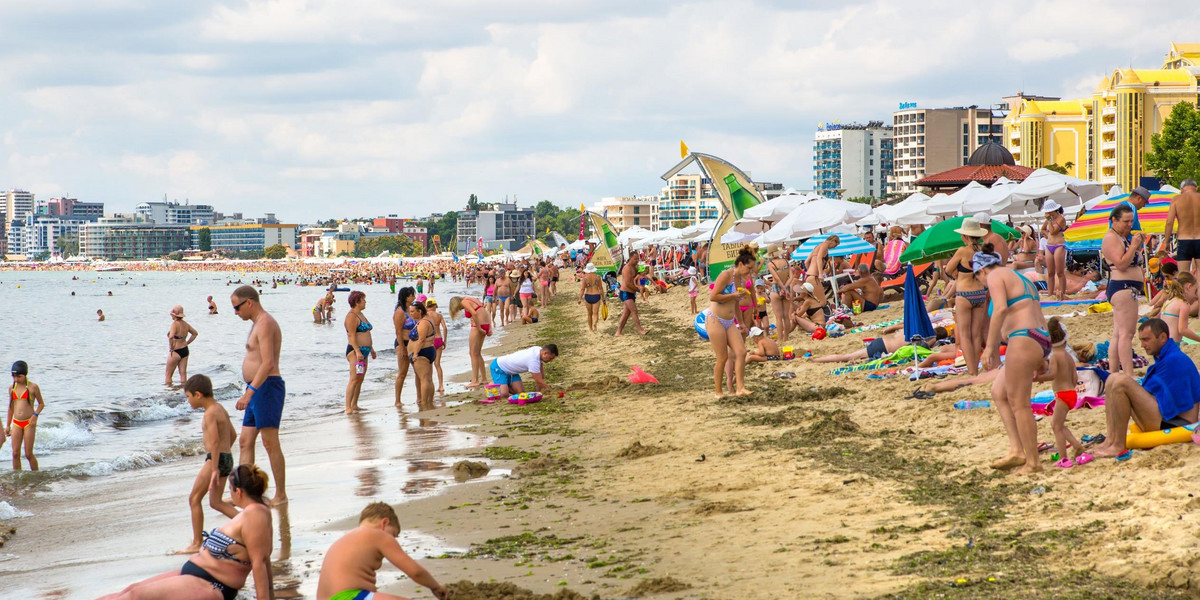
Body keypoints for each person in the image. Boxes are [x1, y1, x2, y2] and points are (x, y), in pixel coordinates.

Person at [99, 465, 275, 600]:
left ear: (238, 491)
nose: (230, 495)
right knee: (129, 590)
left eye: (229, 490)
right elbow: (264, 559)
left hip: (212, 584)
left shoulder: (255, 515)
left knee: (135, 596)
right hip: (195, 574)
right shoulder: (250, 513)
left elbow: (260, 562)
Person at [976, 245, 1049, 475]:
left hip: (1022, 337)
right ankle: (1017, 450)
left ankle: (1033, 462)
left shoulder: (995, 276)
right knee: (999, 392)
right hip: (1038, 337)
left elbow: (998, 310)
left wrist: (990, 347)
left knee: (1020, 404)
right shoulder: (1018, 276)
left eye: (978, 278)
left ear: (982, 271)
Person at [1093, 318, 1200, 458]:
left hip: (1177, 423)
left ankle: (1118, 445)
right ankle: (1110, 441)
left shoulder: (1175, 359)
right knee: (1112, 379)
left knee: (1122, 381)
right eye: (1141, 340)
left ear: (1162, 337)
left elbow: (1152, 392)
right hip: (1167, 418)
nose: (1142, 345)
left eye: (1146, 340)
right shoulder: (1166, 358)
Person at [316, 502, 448, 600]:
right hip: (349, 596)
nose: (393, 539)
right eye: (394, 534)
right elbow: (415, 572)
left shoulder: (345, 540)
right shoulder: (378, 535)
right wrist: (436, 586)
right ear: (384, 523)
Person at [231, 285, 288, 506]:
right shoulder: (257, 324)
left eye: (237, 307)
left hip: (267, 387)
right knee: (245, 442)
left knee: (270, 442)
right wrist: (249, 390)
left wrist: (250, 392)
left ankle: (280, 495)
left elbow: (268, 363)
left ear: (249, 303)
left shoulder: (266, 323)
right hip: (255, 388)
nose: (236, 312)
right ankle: (245, 495)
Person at [181, 374, 238, 554]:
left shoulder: (210, 413)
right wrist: (225, 455)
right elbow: (233, 434)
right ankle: (248, 522)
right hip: (225, 457)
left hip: (215, 459)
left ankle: (197, 542)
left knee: (194, 498)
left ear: (198, 394)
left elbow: (213, 442)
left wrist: (214, 469)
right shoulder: (219, 408)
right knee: (215, 502)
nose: (188, 401)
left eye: (188, 397)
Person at [1035, 318, 1092, 469]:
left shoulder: (1054, 356)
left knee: (1055, 426)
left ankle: (1063, 458)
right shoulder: (1067, 356)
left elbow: (1052, 374)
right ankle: (1077, 446)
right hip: (1071, 393)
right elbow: (1074, 377)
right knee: (1059, 424)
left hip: (1062, 394)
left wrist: (1038, 378)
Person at [706, 246, 755, 398]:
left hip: (730, 321)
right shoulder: (726, 275)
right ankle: (718, 392)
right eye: (749, 268)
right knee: (722, 357)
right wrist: (733, 294)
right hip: (715, 320)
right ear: (740, 264)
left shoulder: (740, 279)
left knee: (741, 351)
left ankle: (740, 388)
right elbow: (714, 296)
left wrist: (741, 323)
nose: (750, 272)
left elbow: (736, 304)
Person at [1102, 203, 1145, 375]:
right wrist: (1134, 246)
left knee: (1119, 334)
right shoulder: (1111, 238)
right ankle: (1128, 374)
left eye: (1131, 221)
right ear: (1114, 220)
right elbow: (1121, 264)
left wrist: (1137, 244)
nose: (1129, 225)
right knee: (1127, 334)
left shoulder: (1121, 237)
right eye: (1126, 221)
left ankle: (1114, 373)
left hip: (1126, 288)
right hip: (1122, 287)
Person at [948, 218, 988, 376]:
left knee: (964, 335)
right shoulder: (984, 250)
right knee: (976, 334)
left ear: (965, 236)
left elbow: (948, 269)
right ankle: (976, 367)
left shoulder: (962, 251)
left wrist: (957, 272)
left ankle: (972, 371)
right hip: (980, 293)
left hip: (964, 294)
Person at [810, 329, 945, 364]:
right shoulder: (929, 339)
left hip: (882, 342)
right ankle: (816, 360)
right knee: (847, 357)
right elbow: (925, 348)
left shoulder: (915, 330)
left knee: (849, 356)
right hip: (882, 348)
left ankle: (817, 359)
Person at [344, 291, 376, 415]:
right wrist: (357, 351)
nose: (365, 302)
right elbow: (351, 335)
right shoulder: (351, 316)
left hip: (365, 351)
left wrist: (371, 349)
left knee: (360, 378)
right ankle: (348, 407)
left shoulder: (361, 314)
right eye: (363, 300)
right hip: (355, 351)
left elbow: (366, 333)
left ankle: (355, 404)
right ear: (357, 302)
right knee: (354, 379)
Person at [449, 296, 492, 388]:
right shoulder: (473, 299)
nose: (460, 309)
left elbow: (474, 313)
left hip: (477, 326)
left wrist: (479, 328)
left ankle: (475, 380)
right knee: (477, 353)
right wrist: (489, 328)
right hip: (485, 324)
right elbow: (487, 312)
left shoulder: (464, 302)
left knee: (472, 353)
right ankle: (484, 379)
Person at [7, 361, 43, 471]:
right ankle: (18, 478)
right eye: (14, 376)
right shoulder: (12, 388)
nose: (16, 379)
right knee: (15, 453)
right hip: (17, 422)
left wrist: (35, 415)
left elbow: (41, 404)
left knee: (28, 454)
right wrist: (8, 425)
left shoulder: (33, 387)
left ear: (25, 375)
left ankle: (36, 475)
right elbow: (11, 407)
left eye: (19, 376)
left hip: (29, 422)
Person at [490, 344, 559, 396]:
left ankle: (504, 383)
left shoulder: (539, 350)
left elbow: (541, 375)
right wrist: (551, 391)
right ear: (545, 353)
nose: (551, 361)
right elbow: (538, 380)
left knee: (520, 392)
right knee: (504, 394)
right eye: (550, 358)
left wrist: (538, 392)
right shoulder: (533, 360)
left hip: (512, 372)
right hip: (499, 367)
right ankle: (492, 384)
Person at [1166, 179, 1200, 275]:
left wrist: (1166, 241)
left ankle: (1185, 290)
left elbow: (1169, 222)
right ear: (1196, 188)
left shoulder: (1176, 199)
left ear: (1181, 189)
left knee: (1183, 275)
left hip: (1184, 239)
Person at [408, 301, 436, 409]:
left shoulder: (423, 323)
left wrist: (415, 353)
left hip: (422, 352)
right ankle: (429, 401)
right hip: (428, 350)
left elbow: (421, 340)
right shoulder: (427, 318)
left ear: (420, 311)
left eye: (413, 311)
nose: (411, 314)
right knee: (428, 378)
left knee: (424, 379)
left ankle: (425, 402)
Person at [1158, 272, 1200, 343]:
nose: (1196, 296)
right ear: (1189, 286)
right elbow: (1183, 330)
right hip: (1172, 345)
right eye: (1195, 291)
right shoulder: (1183, 305)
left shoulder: (1169, 300)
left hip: (1162, 343)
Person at [392, 287, 416, 405]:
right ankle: (397, 400)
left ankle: (420, 397)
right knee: (402, 372)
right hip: (403, 342)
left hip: (413, 343)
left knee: (418, 371)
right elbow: (398, 331)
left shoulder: (412, 309)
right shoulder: (400, 312)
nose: (414, 297)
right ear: (406, 297)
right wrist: (402, 347)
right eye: (411, 295)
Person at [615, 253, 648, 336]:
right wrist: (638, 289)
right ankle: (640, 330)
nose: (637, 261)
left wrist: (642, 286)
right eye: (635, 259)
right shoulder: (627, 268)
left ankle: (618, 332)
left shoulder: (635, 267)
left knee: (626, 313)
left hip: (631, 293)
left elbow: (640, 277)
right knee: (634, 311)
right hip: (625, 293)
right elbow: (628, 283)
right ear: (630, 258)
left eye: (638, 259)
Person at [1042, 200, 1069, 300]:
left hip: (1059, 245)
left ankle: (1062, 293)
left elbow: (1053, 231)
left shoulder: (1060, 219)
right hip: (1049, 246)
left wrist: (1049, 220)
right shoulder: (1051, 219)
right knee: (1050, 273)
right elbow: (1043, 229)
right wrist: (1046, 235)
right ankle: (1050, 295)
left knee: (1060, 272)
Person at [167, 305, 199, 386]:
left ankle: (169, 394)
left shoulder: (174, 324)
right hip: (185, 350)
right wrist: (187, 342)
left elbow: (171, 337)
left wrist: (171, 346)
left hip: (175, 351)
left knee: (168, 375)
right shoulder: (185, 324)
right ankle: (184, 391)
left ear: (174, 315)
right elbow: (195, 334)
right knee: (183, 374)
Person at [426, 298, 448, 395]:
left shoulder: (426, 315)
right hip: (439, 339)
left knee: (429, 364)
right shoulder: (439, 315)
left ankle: (430, 386)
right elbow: (445, 328)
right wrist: (445, 340)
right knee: (437, 364)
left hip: (430, 340)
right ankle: (441, 386)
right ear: (435, 306)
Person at [579, 263, 605, 332]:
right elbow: (601, 288)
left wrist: (580, 298)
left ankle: (590, 329)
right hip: (596, 295)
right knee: (595, 313)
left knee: (589, 313)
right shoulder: (598, 277)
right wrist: (603, 298)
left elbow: (582, 289)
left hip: (588, 295)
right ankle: (595, 324)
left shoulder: (585, 278)